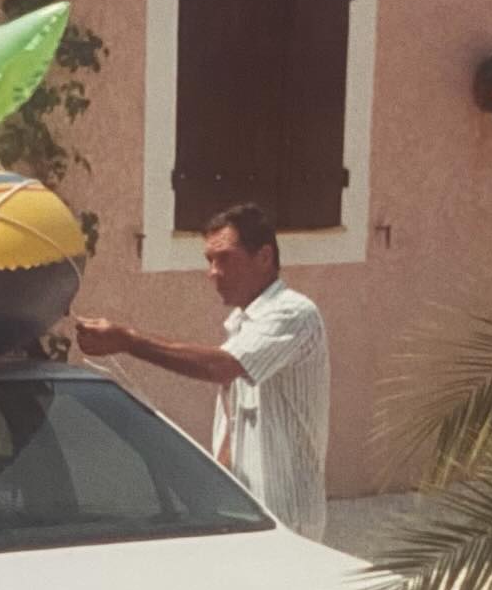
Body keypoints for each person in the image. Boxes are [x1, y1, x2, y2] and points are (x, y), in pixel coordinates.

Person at [76, 203, 329, 540]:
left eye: (224, 258)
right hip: (246, 517)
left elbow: (219, 368)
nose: (213, 272)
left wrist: (128, 341)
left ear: (264, 257)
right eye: (209, 261)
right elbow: (234, 425)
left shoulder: (293, 313)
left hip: (287, 521)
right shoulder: (242, 324)